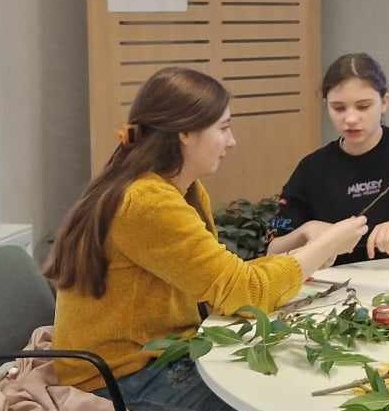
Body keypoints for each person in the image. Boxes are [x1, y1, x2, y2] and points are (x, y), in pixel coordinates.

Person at [42, 67, 368, 411]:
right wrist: (327, 244)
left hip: (162, 354)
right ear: (185, 132)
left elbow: (224, 282)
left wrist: (305, 240)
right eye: (223, 128)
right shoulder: (147, 202)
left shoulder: (180, 189)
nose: (232, 141)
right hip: (123, 379)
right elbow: (245, 291)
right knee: (287, 393)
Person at [267, 52, 389, 265]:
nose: (350, 119)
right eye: (338, 108)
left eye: (363, 106)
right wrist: (306, 231)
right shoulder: (311, 169)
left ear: (384, 102)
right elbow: (272, 253)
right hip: (335, 283)